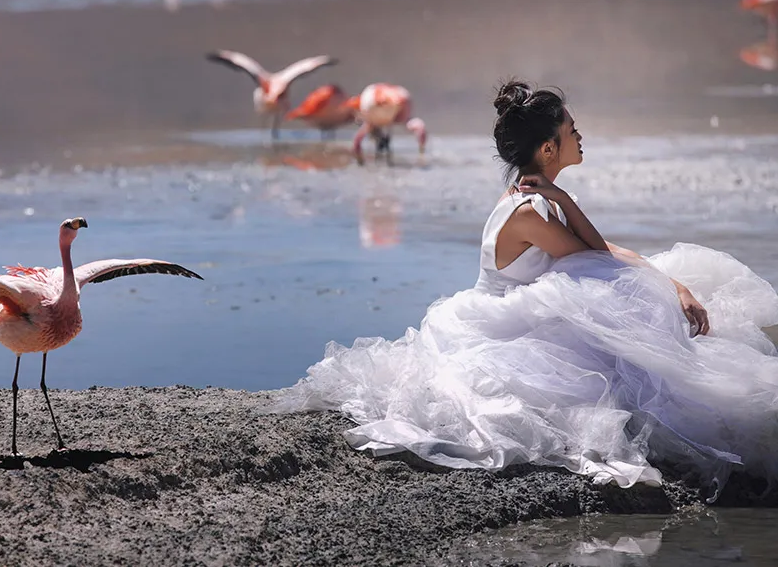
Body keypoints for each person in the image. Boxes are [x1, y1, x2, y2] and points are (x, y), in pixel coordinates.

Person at [276, 80, 778, 501]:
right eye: (571, 131)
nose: (581, 136)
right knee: (614, 293)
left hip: (535, 309)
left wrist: (676, 283)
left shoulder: (545, 197)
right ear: (548, 149)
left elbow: (598, 247)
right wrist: (661, 285)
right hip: (501, 326)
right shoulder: (526, 211)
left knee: (658, 278)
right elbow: (595, 258)